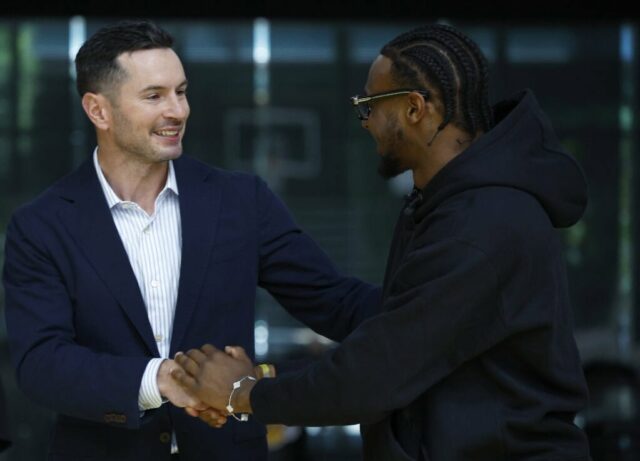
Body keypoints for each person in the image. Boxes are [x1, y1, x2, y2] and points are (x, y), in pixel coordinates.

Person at [172, 23, 592, 460]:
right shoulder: (447, 205)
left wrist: (245, 392)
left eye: (369, 106)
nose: (366, 122)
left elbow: (374, 374)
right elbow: (394, 317)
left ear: (414, 108)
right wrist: (264, 250)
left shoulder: (484, 224)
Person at [1, 20, 380, 461]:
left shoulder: (242, 200)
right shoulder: (41, 225)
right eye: (154, 95)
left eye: (181, 92)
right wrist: (162, 379)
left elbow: (334, 302)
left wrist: (436, 305)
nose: (178, 111)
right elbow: (42, 364)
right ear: (98, 110)